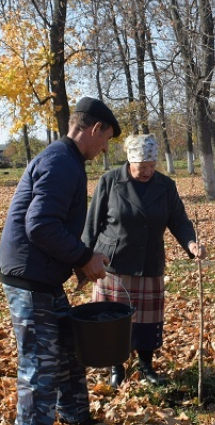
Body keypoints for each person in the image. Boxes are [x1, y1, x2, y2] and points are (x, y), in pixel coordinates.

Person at [0, 97, 120, 425]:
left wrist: (78, 262)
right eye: (106, 138)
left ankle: (75, 416)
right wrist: (83, 257)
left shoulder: (65, 159)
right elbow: (39, 225)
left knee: (68, 347)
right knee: (40, 360)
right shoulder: (61, 162)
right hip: (29, 276)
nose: (105, 147)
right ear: (94, 129)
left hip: (43, 274)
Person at [82, 133, 206, 388]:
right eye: (142, 167)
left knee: (147, 320)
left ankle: (146, 365)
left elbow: (179, 220)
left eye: (152, 166)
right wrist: (83, 259)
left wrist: (191, 243)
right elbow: (92, 223)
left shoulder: (166, 185)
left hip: (149, 261)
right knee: (114, 320)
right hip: (114, 262)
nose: (148, 171)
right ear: (130, 161)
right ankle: (117, 366)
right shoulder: (110, 181)